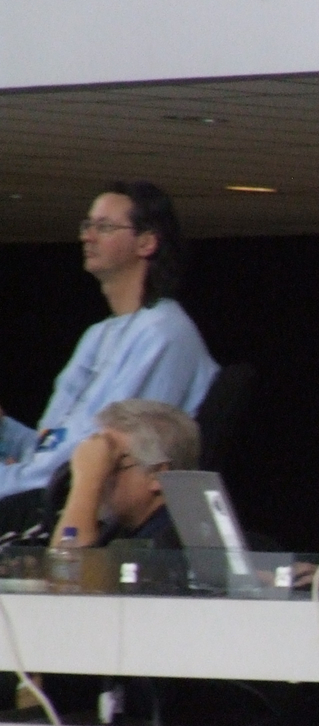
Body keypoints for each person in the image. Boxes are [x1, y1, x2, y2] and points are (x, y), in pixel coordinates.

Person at [0, 182, 218, 537]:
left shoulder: (163, 334)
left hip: (81, 510)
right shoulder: (99, 334)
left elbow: (90, 458)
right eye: (87, 225)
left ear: (146, 243)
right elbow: (51, 444)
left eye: (104, 227)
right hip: (42, 494)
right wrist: (6, 432)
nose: (87, 236)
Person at [52, 399, 199, 549]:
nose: (98, 473)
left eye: (108, 463)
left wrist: (86, 482)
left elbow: (68, 562)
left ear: (156, 474)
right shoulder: (119, 528)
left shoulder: (171, 541)